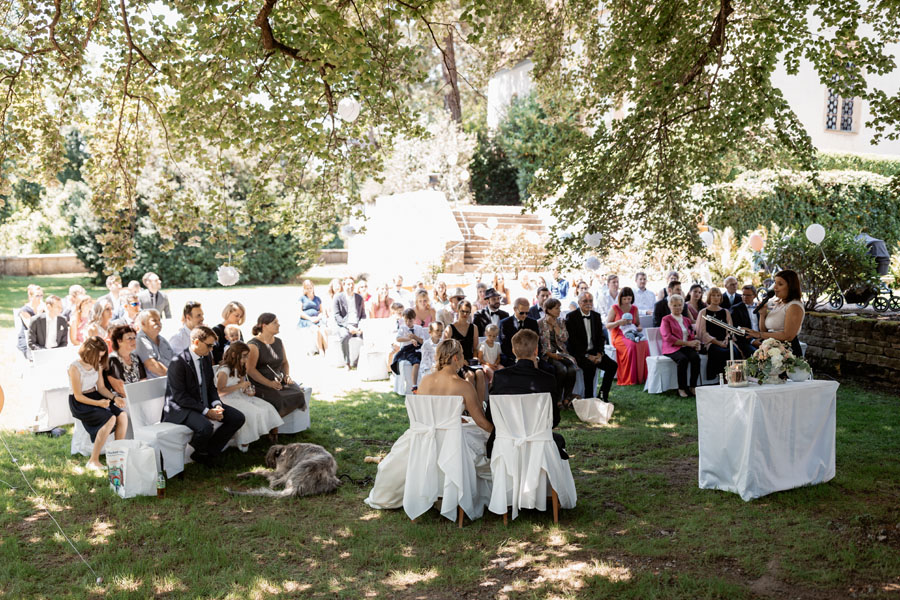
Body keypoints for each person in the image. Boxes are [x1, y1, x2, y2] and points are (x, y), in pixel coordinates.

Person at [363, 339, 492, 514]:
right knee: (481, 440)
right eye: (461, 355)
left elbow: (426, 415)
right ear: (455, 358)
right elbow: (481, 422)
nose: (463, 359)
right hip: (452, 445)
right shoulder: (465, 386)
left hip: (425, 442)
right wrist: (498, 431)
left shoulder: (425, 381)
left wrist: (450, 418)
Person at [162, 326, 245, 466]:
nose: (212, 349)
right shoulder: (178, 363)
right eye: (209, 345)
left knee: (237, 418)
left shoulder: (206, 358)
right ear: (196, 342)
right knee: (205, 426)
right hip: (181, 408)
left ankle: (207, 453)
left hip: (202, 402)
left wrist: (217, 405)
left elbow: (210, 387)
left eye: (213, 346)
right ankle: (203, 453)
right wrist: (207, 412)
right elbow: (180, 397)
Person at [488, 329, 567, 459]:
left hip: (506, 443)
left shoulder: (499, 377)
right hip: (538, 443)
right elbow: (554, 419)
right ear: (536, 350)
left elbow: (491, 415)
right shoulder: (548, 379)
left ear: (513, 350)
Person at [67, 336, 128, 471]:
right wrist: (99, 404)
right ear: (89, 353)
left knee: (122, 416)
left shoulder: (98, 365)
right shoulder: (74, 368)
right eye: (98, 356)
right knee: (110, 418)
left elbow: (101, 388)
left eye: (102, 357)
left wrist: (114, 398)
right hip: (80, 402)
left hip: (96, 395)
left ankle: (116, 454)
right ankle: (93, 460)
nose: (100, 360)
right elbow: (78, 396)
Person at [216, 342, 284, 448]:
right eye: (244, 356)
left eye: (247, 356)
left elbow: (241, 386)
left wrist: (246, 390)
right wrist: (240, 386)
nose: (246, 360)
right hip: (226, 399)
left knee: (267, 407)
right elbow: (220, 391)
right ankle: (244, 442)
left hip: (239, 396)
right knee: (252, 412)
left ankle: (269, 434)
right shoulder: (224, 371)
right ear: (234, 355)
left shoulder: (240, 367)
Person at [246, 313, 306, 417]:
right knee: (279, 399)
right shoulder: (253, 345)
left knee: (299, 393)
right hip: (261, 384)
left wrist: (286, 376)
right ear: (264, 325)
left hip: (279, 380)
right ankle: (273, 429)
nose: (278, 325)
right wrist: (269, 383)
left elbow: (285, 363)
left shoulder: (279, 342)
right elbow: (250, 370)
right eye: (275, 323)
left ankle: (278, 424)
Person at [565, 292, 616, 401]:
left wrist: (599, 354)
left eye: (590, 301)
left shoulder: (596, 316)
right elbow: (572, 342)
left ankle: (603, 395)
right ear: (579, 303)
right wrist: (587, 356)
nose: (588, 303)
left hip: (594, 352)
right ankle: (589, 398)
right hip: (578, 353)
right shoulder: (571, 317)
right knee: (590, 367)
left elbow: (600, 338)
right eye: (585, 301)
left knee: (612, 366)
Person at [744, 269, 806, 358]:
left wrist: (758, 334)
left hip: (787, 353)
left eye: (780, 284)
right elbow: (765, 331)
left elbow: (788, 336)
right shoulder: (779, 304)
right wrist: (762, 314)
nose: (775, 287)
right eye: (775, 283)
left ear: (791, 286)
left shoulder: (794, 306)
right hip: (771, 350)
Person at [606, 286, 650, 386]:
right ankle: (630, 378)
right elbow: (607, 325)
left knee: (644, 343)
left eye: (629, 299)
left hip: (633, 333)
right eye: (624, 299)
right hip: (619, 335)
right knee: (631, 345)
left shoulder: (634, 309)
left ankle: (642, 376)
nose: (627, 301)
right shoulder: (614, 308)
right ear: (620, 298)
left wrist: (639, 328)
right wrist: (618, 322)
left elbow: (638, 323)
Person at [445, 299, 486, 403]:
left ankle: (480, 407)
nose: (465, 314)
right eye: (462, 311)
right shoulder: (450, 328)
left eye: (467, 312)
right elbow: (446, 349)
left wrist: (476, 358)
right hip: (456, 360)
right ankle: (469, 407)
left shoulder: (474, 328)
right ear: (458, 311)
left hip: (470, 361)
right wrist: (459, 361)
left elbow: (475, 348)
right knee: (470, 376)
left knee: (480, 374)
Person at [696, 287, 741, 381]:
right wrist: (718, 343)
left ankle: (735, 377)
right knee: (720, 352)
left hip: (726, 341)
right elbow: (702, 332)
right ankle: (722, 378)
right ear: (709, 297)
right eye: (713, 295)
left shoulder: (725, 312)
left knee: (734, 351)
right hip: (711, 342)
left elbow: (730, 329)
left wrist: (727, 339)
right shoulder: (703, 312)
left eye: (718, 295)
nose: (716, 298)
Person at [659, 295, 701, 397]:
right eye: (675, 305)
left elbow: (691, 335)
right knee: (683, 359)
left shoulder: (686, 320)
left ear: (683, 306)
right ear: (670, 306)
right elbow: (668, 337)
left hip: (686, 347)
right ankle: (681, 388)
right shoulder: (666, 319)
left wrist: (695, 343)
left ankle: (693, 386)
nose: (678, 308)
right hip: (672, 347)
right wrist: (687, 343)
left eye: (680, 305)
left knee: (696, 358)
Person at [538, 298, 577, 406]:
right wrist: (551, 354)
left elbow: (564, 338)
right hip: (548, 354)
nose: (559, 310)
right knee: (562, 369)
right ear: (549, 310)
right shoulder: (540, 323)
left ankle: (567, 397)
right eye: (557, 308)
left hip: (561, 352)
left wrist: (555, 326)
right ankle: (558, 398)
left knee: (572, 369)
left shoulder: (560, 321)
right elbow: (540, 343)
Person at [106, 324, 147, 397]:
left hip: (139, 396)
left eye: (134, 338)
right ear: (119, 341)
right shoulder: (112, 360)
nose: (134, 341)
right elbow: (120, 389)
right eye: (129, 338)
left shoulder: (135, 357)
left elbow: (143, 380)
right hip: (122, 401)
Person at [334, 277, 366, 368]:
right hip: (344, 325)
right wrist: (348, 327)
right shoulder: (338, 298)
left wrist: (361, 326)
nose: (351, 286)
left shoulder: (359, 298)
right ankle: (347, 363)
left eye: (352, 284)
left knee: (369, 336)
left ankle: (357, 361)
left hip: (357, 324)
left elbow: (363, 314)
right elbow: (337, 316)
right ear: (343, 285)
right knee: (344, 336)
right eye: (348, 284)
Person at [498, 298, 540, 367]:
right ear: (515, 309)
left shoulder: (533, 323)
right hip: (512, 358)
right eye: (522, 313)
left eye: (527, 313)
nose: (524, 315)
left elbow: (537, 342)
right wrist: (520, 359)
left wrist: (535, 357)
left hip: (531, 357)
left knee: (549, 369)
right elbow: (504, 346)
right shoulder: (504, 323)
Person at [391, 308, 426, 389]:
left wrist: (415, 337)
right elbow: (398, 339)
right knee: (416, 362)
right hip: (406, 350)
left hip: (417, 349)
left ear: (414, 319)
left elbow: (423, 341)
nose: (407, 323)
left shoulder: (419, 328)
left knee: (421, 359)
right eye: (406, 320)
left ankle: (420, 384)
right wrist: (409, 339)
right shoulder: (403, 328)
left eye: (410, 321)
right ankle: (414, 385)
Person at [135, 309, 174, 378]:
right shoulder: (140, 340)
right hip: (155, 384)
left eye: (159, 320)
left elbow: (174, 359)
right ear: (143, 323)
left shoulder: (162, 340)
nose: (159, 323)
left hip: (171, 379)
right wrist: (174, 377)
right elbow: (152, 365)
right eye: (154, 320)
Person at [297, 280, 325, 355]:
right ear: (304, 289)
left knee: (323, 329)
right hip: (306, 320)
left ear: (313, 288)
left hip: (317, 319)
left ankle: (326, 348)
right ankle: (320, 349)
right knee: (315, 329)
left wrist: (318, 318)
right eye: (307, 288)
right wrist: (311, 319)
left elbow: (321, 311)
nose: (309, 289)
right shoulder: (302, 298)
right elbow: (300, 312)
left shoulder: (318, 299)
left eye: (310, 288)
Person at [730, 284, 758, 357]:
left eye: (748, 295)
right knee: (755, 354)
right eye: (743, 295)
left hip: (760, 337)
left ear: (754, 296)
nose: (745, 297)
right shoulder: (735, 309)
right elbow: (737, 329)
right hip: (745, 341)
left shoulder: (760, 307)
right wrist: (752, 341)